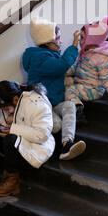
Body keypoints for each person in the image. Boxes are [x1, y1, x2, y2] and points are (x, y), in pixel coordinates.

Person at [22, 17, 86, 161]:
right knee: (56, 126)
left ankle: (67, 145)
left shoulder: (47, 56)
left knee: (69, 106)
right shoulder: (40, 59)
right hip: (41, 106)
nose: (61, 42)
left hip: (53, 102)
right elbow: (61, 66)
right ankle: (41, 148)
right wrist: (74, 45)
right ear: (47, 41)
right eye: (58, 38)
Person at [65, 16, 108, 106]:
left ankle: (77, 107)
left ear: (91, 39)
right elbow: (77, 66)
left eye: (82, 38)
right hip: (82, 84)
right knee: (65, 83)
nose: (79, 41)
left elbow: (107, 79)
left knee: (69, 91)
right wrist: (66, 72)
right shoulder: (86, 52)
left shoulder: (102, 58)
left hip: (94, 89)